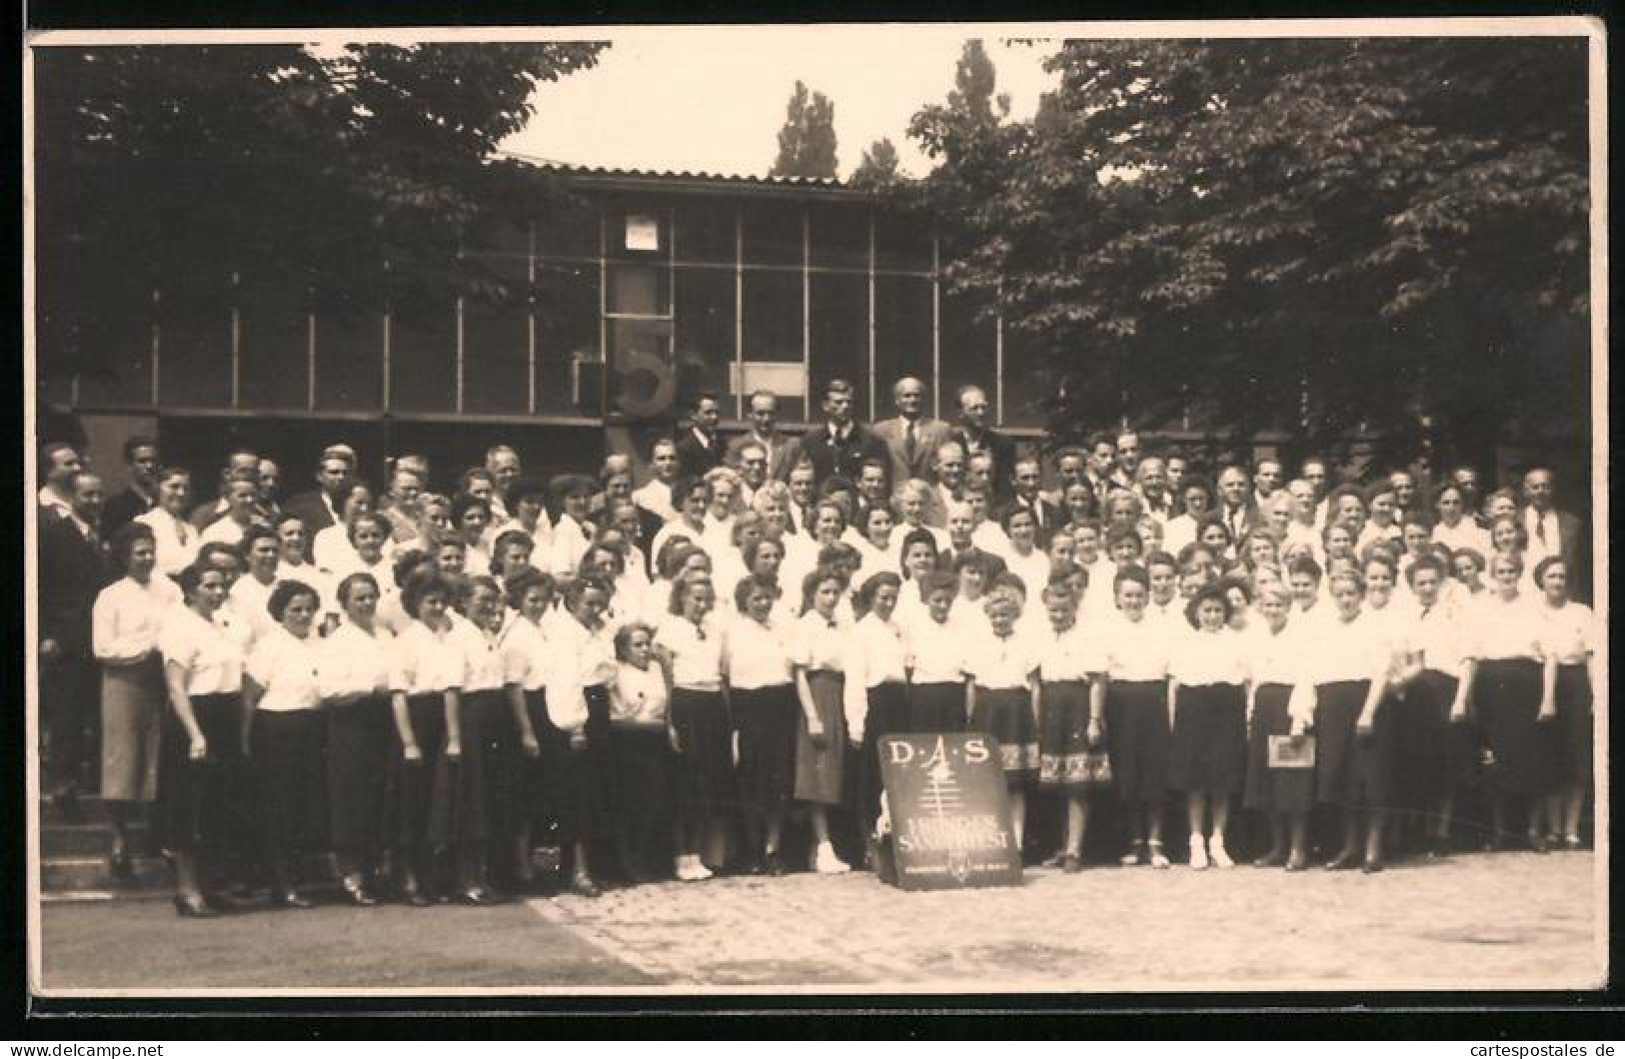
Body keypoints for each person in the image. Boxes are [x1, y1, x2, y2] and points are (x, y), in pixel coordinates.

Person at [158, 562, 248, 916]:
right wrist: (195, 733)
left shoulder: (222, 625)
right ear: (191, 590)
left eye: (221, 585)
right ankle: (187, 890)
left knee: (216, 807)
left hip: (224, 716)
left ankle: (209, 887)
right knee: (188, 808)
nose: (218, 591)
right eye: (210, 586)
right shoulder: (179, 627)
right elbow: (176, 688)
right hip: (194, 719)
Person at [92, 523, 179, 881]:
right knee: (123, 758)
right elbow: (103, 648)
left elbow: (178, 631)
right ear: (124, 556)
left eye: (149, 551)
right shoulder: (110, 596)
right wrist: (145, 646)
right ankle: (119, 839)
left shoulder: (169, 591)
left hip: (162, 681)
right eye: (139, 552)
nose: (146, 558)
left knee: (160, 756)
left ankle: (160, 838)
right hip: (124, 683)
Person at [1464, 551, 1560, 851]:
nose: (1506, 577)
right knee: (1496, 758)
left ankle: (1533, 830)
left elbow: (1551, 656)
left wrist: (1548, 699)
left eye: (1511, 572)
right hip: (1492, 686)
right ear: (1492, 575)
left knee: (1533, 757)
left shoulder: (1534, 607)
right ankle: (1499, 831)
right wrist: (1468, 697)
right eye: (1501, 572)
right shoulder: (1480, 608)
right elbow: (1473, 654)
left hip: (1527, 685)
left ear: (1519, 574)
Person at [1306, 569, 1400, 872]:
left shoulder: (1376, 626)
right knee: (1342, 777)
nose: (1346, 599)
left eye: (1351, 593)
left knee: (1371, 778)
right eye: (1340, 594)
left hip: (1367, 704)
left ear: (1361, 594)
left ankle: (1374, 849)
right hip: (1333, 704)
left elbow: (1382, 673)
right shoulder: (1325, 628)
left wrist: (1368, 712)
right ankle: (1350, 846)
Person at [242, 580, 327, 909]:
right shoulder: (269, 646)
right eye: (296, 610)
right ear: (280, 613)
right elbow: (250, 698)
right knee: (281, 808)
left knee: (305, 806)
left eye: (309, 609)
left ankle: (299, 879)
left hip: (312, 727)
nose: (304, 615)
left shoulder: (321, 643)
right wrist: (246, 740)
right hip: (277, 729)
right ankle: (283, 883)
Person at [318, 572, 396, 905]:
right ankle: (352, 876)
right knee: (352, 799)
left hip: (384, 722)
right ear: (344, 604)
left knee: (379, 798)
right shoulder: (338, 641)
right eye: (359, 598)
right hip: (351, 725)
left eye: (370, 597)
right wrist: (369, 687)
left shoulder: (385, 634)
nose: (366, 604)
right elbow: (329, 690)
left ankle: (375, 871)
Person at [386, 569, 463, 905]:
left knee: (438, 803)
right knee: (411, 804)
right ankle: (408, 879)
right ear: (414, 604)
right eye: (431, 601)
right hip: (415, 719)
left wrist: (454, 735)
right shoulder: (405, 642)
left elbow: (450, 689)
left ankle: (434, 878)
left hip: (442, 719)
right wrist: (409, 742)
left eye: (442, 601)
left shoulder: (448, 637)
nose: (438, 607)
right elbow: (399, 695)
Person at [538, 577, 618, 895]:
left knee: (595, 792)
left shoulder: (597, 630)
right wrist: (575, 726)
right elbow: (565, 681)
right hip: (577, 714)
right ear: (572, 603)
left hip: (599, 705)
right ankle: (577, 870)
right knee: (577, 796)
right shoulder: (563, 634)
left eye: (601, 604)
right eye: (590, 604)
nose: (596, 610)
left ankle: (592, 866)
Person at [1392, 554, 1474, 859]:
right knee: (1418, 765)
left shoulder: (1453, 615)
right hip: (1415, 696)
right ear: (1412, 586)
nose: (1427, 588)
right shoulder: (1407, 616)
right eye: (1420, 583)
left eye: (1432, 582)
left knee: (1445, 767)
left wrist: (1460, 700)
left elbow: (1467, 660)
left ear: (1441, 584)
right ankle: (1418, 831)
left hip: (1445, 691)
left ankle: (1440, 832)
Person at [39, 468, 108, 817]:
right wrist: (45, 634)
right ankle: (63, 788)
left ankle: (94, 787)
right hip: (65, 641)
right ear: (71, 497)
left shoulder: (102, 536)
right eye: (87, 496)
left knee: (95, 715)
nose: (95, 502)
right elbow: (39, 587)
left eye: (99, 495)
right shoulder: (53, 534)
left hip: (99, 642)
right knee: (66, 716)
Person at [1167, 585, 1249, 869]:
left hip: (1226, 709)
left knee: (1222, 779)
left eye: (1218, 611)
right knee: (1196, 780)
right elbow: (1175, 686)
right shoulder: (1186, 642)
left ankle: (1218, 840)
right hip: (1194, 709)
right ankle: (1196, 840)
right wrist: (1172, 719)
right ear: (1197, 613)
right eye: (1207, 611)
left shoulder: (1237, 641)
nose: (1212, 616)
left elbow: (1245, 683)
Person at [722, 574, 798, 875]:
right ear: (744, 602)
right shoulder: (733, 632)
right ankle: (751, 849)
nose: (764, 603)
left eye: (768, 597)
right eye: (757, 598)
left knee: (778, 780)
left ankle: (772, 848)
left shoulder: (783, 629)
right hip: (748, 708)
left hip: (779, 705)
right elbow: (726, 676)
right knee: (750, 780)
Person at [657, 576, 731, 881]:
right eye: (695, 599)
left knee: (707, 781)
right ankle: (680, 854)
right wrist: (669, 721)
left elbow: (722, 676)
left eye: (706, 600)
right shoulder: (670, 629)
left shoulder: (716, 631)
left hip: (712, 703)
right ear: (682, 599)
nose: (701, 605)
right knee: (685, 780)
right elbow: (666, 679)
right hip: (685, 703)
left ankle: (697, 853)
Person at [1100, 565, 1172, 868]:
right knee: (1127, 771)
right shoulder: (1107, 628)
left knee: (1154, 771)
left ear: (1148, 596)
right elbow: (1103, 675)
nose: (1133, 601)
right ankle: (1134, 840)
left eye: (1139, 595)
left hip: (1153, 699)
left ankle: (1155, 842)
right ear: (1117, 598)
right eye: (1127, 595)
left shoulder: (1161, 627)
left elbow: (1170, 673)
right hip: (1121, 701)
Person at [1033, 583, 1108, 872]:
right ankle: (1060, 847)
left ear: (1075, 608)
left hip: (1077, 706)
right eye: (1053, 610)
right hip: (1051, 708)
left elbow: (1097, 682)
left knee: (1077, 785)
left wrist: (1094, 719)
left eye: (1064, 609)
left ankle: (1075, 849)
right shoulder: (1040, 637)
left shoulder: (1087, 637)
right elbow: (1036, 681)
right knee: (1055, 783)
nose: (1059, 614)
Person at [1243, 584, 1314, 870]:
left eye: (1278, 606)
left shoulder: (1300, 637)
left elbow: (1306, 678)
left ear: (1288, 607)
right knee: (1268, 781)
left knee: (1292, 780)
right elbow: (1254, 680)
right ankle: (1278, 846)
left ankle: (1298, 849)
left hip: (1288, 708)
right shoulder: (1256, 637)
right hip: (1264, 707)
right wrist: (1250, 715)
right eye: (1267, 606)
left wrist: (1300, 718)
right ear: (1260, 607)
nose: (1272, 611)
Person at [964, 587, 1040, 848]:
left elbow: (1035, 685)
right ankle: (990, 840)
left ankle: (1016, 841)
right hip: (987, 712)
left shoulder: (1026, 643)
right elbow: (972, 685)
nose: (1000, 620)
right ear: (988, 616)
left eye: (1005, 615)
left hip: (1016, 713)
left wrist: (1035, 718)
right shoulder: (977, 643)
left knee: (1016, 783)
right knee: (988, 780)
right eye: (995, 615)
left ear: (1014, 615)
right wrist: (971, 718)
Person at [1534, 555, 1600, 850]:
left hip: (1574, 684)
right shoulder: (1532, 612)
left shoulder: (1582, 613)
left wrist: (1596, 694)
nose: (1557, 582)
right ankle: (1553, 829)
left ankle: (1571, 829)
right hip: (1544, 685)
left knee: (1576, 757)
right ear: (1541, 581)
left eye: (1562, 576)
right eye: (1551, 576)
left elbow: (1592, 657)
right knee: (1549, 756)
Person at [791, 568, 854, 874]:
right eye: (824, 593)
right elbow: (800, 674)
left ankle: (834, 844)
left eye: (835, 593)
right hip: (819, 693)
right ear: (811, 595)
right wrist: (812, 715)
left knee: (838, 770)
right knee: (819, 772)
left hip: (843, 691)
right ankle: (822, 845)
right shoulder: (805, 626)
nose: (831, 598)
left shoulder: (844, 624)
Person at [843, 572, 908, 846]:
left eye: (894, 598)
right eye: (883, 598)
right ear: (871, 598)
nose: (889, 603)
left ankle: (892, 835)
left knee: (895, 774)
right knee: (871, 775)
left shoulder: (898, 628)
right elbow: (855, 679)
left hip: (899, 702)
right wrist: (856, 723)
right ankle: (868, 841)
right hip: (875, 704)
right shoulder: (861, 632)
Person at [791, 378, 890, 486]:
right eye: (838, 402)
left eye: (849, 402)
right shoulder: (810, 441)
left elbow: (881, 481)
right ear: (825, 405)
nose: (845, 406)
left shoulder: (871, 441)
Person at [1521, 467, 1589, 603]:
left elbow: (1582, 567)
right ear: (1526, 491)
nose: (1540, 491)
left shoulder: (1573, 524)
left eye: (1545, 486)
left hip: (1562, 598)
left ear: (1553, 489)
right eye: (1535, 487)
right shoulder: (1514, 521)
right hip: (1524, 597)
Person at [872, 376, 953, 486]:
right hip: (894, 497)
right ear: (897, 400)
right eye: (907, 396)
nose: (912, 400)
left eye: (917, 396)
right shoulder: (881, 430)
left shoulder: (940, 430)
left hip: (929, 498)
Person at [950, 385, 1017, 504]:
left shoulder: (1003, 444)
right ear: (960, 412)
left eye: (983, 407)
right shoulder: (950, 443)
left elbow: (1005, 488)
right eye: (974, 408)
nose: (981, 412)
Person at [136, 467, 201, 576]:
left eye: (186, 488)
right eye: (174, 487)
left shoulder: (191, 530)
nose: (181, 493)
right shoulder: (144, 523)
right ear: (158, 488)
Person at [725, 390, 798, 482]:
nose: (766, 419)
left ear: (777, 414)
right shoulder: (736, 446)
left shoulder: (791, 446)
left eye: (771, 413)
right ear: (750, 414)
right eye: (760, 413)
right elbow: (730, 479)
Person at [282, 448, 355, 538]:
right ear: (319, 476)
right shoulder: (301, 507)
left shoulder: (357, 505)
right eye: (334, 472)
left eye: (345, 473)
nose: (341, 477)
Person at [102, 435, 162, 535]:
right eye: (142, 461)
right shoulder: (116, 506)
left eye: (153, 460)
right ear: (129, 465)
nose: (149, 466)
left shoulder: (163, 503)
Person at [633, 438, 683, 523]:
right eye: (661, 458)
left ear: (679, 462)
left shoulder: (688, 493)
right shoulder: (640, 497)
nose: (668, 463)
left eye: (672, 458)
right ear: (651, 464)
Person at [37, 441, 85, 521]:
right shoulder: (40, 509)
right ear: (49, 471)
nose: (78, 468)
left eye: (78, 463)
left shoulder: (84, 500)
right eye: (69, 464)